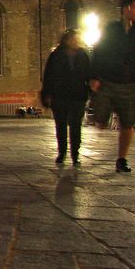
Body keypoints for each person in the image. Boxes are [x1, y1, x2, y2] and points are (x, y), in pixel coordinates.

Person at [90, 0, 135, 173]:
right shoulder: (111, 29)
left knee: (128, 123)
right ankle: (100, 119)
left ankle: (122, 159)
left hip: (128, 83)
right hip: (107, 80)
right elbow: (99, 52)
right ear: (126, 9)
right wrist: (94, 76)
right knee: (100, 120)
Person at [41, 29, 92, 166]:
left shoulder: (83, 55)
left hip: (78, 95)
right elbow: (48, 76)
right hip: (60, 95)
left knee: (76, 126)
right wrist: (46, 94)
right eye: (73, 39)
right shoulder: (56, 55)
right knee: (61, 126)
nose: (76, 41)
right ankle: (62, 153)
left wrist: (92, 91)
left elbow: (89, 74)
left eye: (77, 39)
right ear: (66, 40)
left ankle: (75, 154)